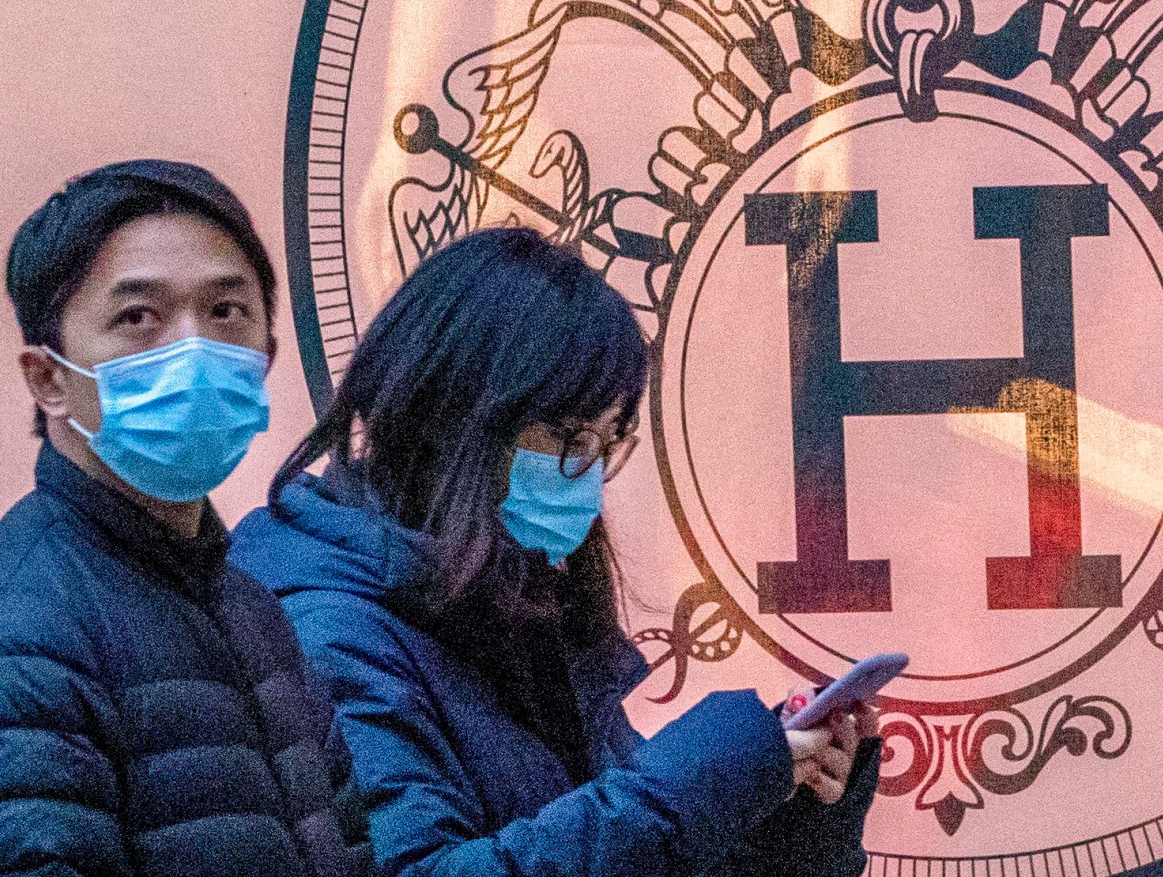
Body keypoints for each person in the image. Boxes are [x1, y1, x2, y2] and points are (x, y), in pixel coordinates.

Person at [230, 227, 878, 877]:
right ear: (452, 417)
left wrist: (792, 822)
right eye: (568, 438)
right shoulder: (330, 634)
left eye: (604, 443)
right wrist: (690, 787)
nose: (587, 477)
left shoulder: (515, 606)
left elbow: (620, 848)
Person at [0, 160, 369, 877]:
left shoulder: (251, 608)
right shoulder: (15, 631)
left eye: (225, 312)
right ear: (48, 378)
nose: (191, 349)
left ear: (266, 354)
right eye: (137, 318)